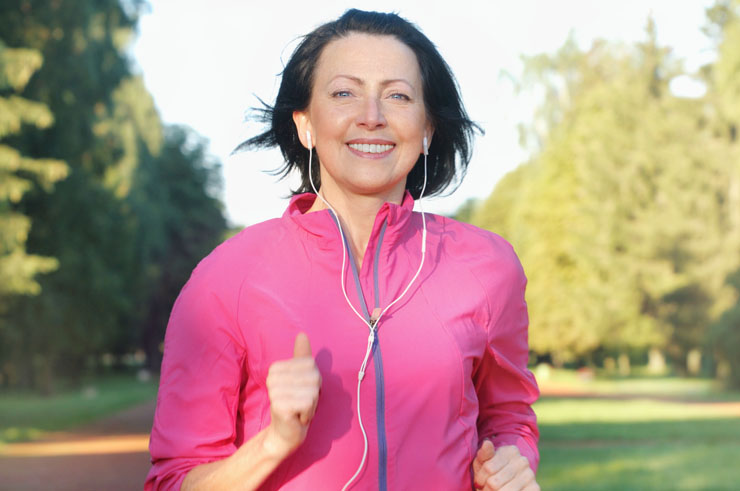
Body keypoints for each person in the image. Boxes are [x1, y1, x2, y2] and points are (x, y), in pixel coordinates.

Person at [145, 10, 540, 491]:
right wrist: (275, 441)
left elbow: (508, 419)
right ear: (305, 124)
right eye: (344, 93)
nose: (371, 116)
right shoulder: (226, 279)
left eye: (397, 95)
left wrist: (510, 462)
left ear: (428, 127)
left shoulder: (488, 268)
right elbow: (175, 481)